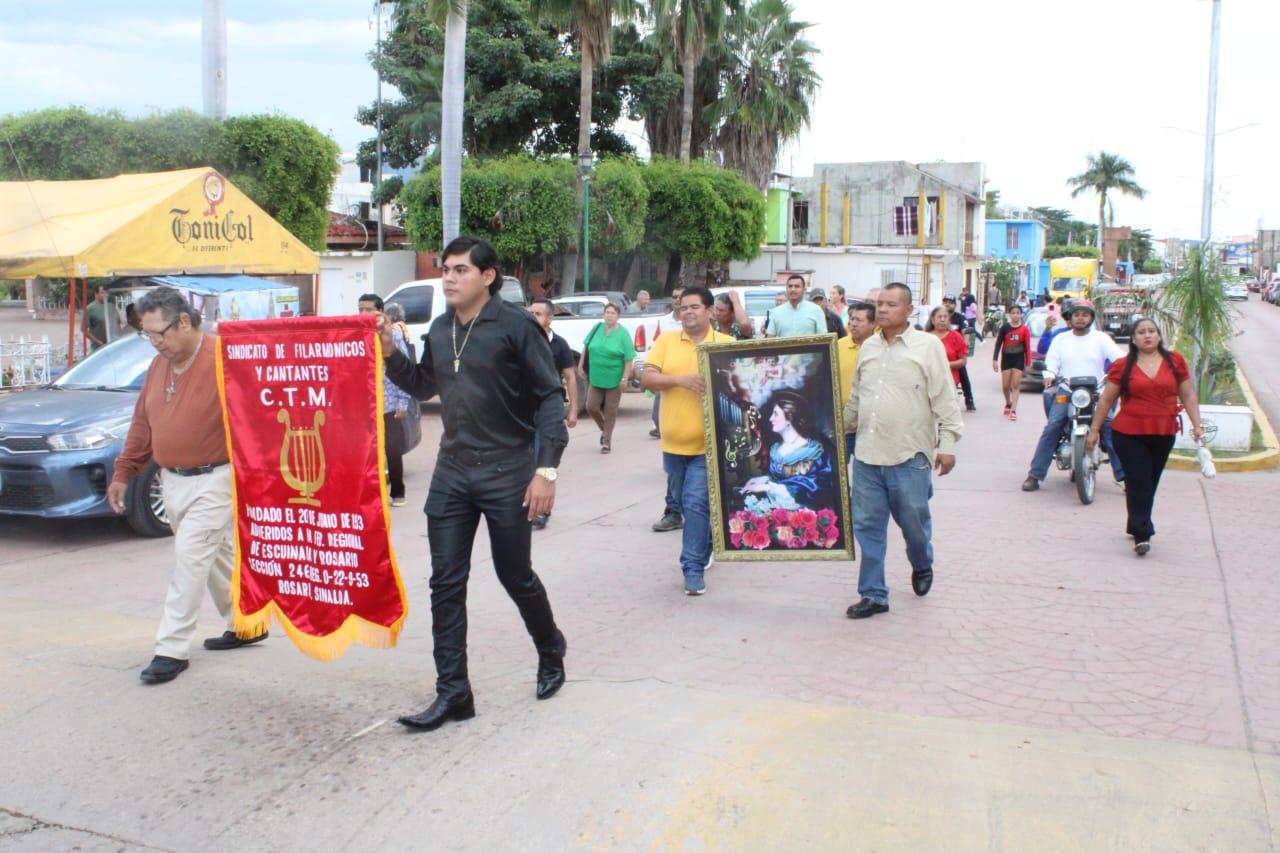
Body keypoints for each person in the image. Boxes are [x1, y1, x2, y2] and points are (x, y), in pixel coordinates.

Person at [382, 236, 568, 732]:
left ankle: (551, 648)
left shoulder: (516, 328)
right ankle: (454, 693)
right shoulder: (441, 329)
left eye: (460, 270)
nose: (448, 278)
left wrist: (545, 470)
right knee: (445, 583)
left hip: (508, 470)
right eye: (445, 269)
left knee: (515, 576)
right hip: (453, 471)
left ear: (487, 277)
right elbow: (425, 385)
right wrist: (389, 353)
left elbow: (551, 399)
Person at [108, 286, 265, 685]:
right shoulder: (159, 366)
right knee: (214, 558)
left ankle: (171, 649)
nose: (155, 343)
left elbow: (262, 413)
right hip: (172, 481)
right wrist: (124, 472)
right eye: (148, 335)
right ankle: (246, 623)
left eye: (159, 333)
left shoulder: (226, 357)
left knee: (191, 558)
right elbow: (142, 425)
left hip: (217, 478)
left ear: (183, 321)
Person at [843, 283, 963, 620]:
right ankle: (873, 594)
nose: (882, 310)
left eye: (890, 305)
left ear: (909, 310)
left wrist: (949, 444)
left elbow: (944, 398)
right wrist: (835, 430)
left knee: (913, 522)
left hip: (909, 456)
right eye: (879, 304)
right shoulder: (867, 348)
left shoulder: (927, 348)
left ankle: (922, 562)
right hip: (867, 454)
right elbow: (856, 400)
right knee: (867, 527)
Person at [640, 286, 734, 595]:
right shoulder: (667, 341)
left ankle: (692, 568)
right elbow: (647, 378)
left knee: (695, 503)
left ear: (710, 311)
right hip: (673, 444)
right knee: (683, 502)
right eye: (683, 308)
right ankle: (705, 543)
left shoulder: (726, 345)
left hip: (708, 446)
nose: (688, 312)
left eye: (695, 307)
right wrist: (679, 380)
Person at [1086, 319, 1205, 556]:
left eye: (1152, 331)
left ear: (1159, 336)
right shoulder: (1122, 366)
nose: (1147, 336)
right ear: (1133, 339)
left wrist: (1198, 426)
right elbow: (1107, 400)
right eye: (1141, 332)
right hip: (1129, 433)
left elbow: (1188, 395)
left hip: (1164, 431)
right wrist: (1095, 430)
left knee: (1149, 482)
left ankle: (1135, 521)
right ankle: (1143, 533)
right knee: (1139, 480)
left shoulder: (1175, 362)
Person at [1021, 299, 1124, 492]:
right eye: (1076, 314)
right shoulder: (1061, 339)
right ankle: (1035, 475)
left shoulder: (1101, 338)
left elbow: (1119, 358)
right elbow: (1051, 362)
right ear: (1070, 318)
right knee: (1052, 426)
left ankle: (1124, 477)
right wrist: (1049, 375)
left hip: (1097, 392)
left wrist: (1115, 375)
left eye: (1084, 315)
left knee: (1110, 428)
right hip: (1067, 390)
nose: (1080, 318)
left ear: (1091, 318)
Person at [528, 298, 579, 530]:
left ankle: (543, 510)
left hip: (550, 410)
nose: (533, 317)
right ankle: (528, 504)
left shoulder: (559, 344)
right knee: (527, 459)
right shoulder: (522, 341)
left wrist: (574, 409)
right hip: (525, 410)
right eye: (531, 313)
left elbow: (570, 377)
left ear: (550, 318)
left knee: (545, 459)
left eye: (538, 313)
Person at [740, 391, 836, 513]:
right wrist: (764, 479)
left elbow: (815, 489)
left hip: (806, 517)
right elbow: (782, 477)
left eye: (775, 414)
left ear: (789, 418)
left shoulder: (814, 452)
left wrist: (767, 487)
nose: (770, 419)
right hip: (778, 515)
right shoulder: (776, 449)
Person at [359, 294, 413, 507]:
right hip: (367, 404)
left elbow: (405, 370)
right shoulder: (357, 335)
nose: (364, 313)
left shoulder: (392, 335)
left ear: (380, 311)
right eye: (360, 309)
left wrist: (403, 401)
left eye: (368, 309)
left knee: (392, 449)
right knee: (368, 451)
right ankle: (373, 493)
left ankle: (398, 493)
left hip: (390, 403)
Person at [577, 301, 634, 454]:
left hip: (614, 379)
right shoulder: (597, 328)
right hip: (595, 377)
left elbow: (629, 358)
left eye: (613, 313)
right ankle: (605, 429)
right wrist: (581, 365)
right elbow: (586, 346)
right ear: (604, 314)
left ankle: (606, 442)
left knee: (610, 410)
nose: (609, 315)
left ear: (618, 316)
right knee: (591, 407)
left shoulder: (623, 334)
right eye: (607, 312)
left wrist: (625, 378)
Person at [838, 301, 877, 459]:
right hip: (845, 421)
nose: (853, 324)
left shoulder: (880, 348)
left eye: (859, 320)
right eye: (852, 319)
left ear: (873, 323)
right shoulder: (837, 345)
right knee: (840, 469)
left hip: (871, 423)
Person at [649, 285, 685, 440]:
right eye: (674, 297)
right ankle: (660, 428)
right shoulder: (663, 321)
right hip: (666, 370)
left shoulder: (690, 320)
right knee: (659, 407)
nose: (677, 300)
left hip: (686, 368)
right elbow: (656, 345)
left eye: (680, 297)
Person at [991, 304, 1032, 420]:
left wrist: (1028, 363)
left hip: (1018, 359)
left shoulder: (1025, 329)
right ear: (1009, 315)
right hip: (1006, 359)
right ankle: (1008, 402)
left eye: (1017, 313)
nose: (1015, 315)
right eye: (1013, 313)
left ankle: (1013, 410)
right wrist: (994, 359)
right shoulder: (1005, 328)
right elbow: (998, 343)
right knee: (1005, 386)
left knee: (1016, 385)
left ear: (1021, 315)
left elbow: (1027, 348)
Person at [925, 306, 969, 398]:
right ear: (932, 319)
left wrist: (945, 364)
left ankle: (969, 399)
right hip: (928, 381)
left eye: (945, 317)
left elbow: (963, 361)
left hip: (950, 381)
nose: (942, 319)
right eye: (939, 317)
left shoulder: (956, 336)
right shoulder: (924, 337)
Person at [942, 296, 976, 411]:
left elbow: (965, 331)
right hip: (940, 351)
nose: (947, 304)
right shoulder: (939, 317)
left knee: (963, 375)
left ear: (955, 305)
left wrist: (965, 343)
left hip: (955, 353)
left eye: (950, 302)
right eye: (945, 302)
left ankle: (969, 399)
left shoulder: (960, 318)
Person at [85, 285, 109, 351]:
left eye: (105, 293)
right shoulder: (90, 308)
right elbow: (84, 330)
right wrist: (97, 342)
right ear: (96, 294)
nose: (104, 295)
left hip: (110, 346)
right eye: (102, 293)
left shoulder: (109, 307)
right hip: (96, 349)